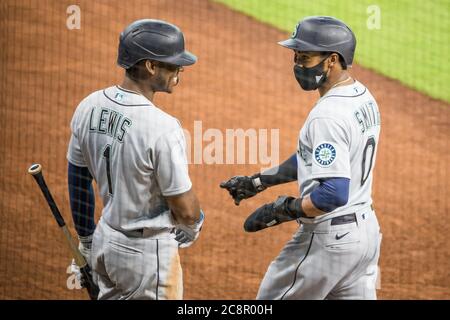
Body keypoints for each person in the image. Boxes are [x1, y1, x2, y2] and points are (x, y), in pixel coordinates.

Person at [220, 16, 382, 300]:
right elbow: (313, 160)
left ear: (332, 60)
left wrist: (283, 210)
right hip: (364, 236)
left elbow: (332, 194)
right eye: (295, 55)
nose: (297, 65)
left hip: (327, 240)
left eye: (305, 57)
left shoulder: (327, 115)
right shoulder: (362, 97)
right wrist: (259, 181)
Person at [67, 19, 204, 300]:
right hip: (147, 258)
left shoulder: (89, 105)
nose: (180, 70)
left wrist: (86, 240)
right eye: (173, 64)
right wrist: (194, 223)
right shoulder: (162, 127)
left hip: (105, 240)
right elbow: (186, 209)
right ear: (150, 66)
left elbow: (78, 180)